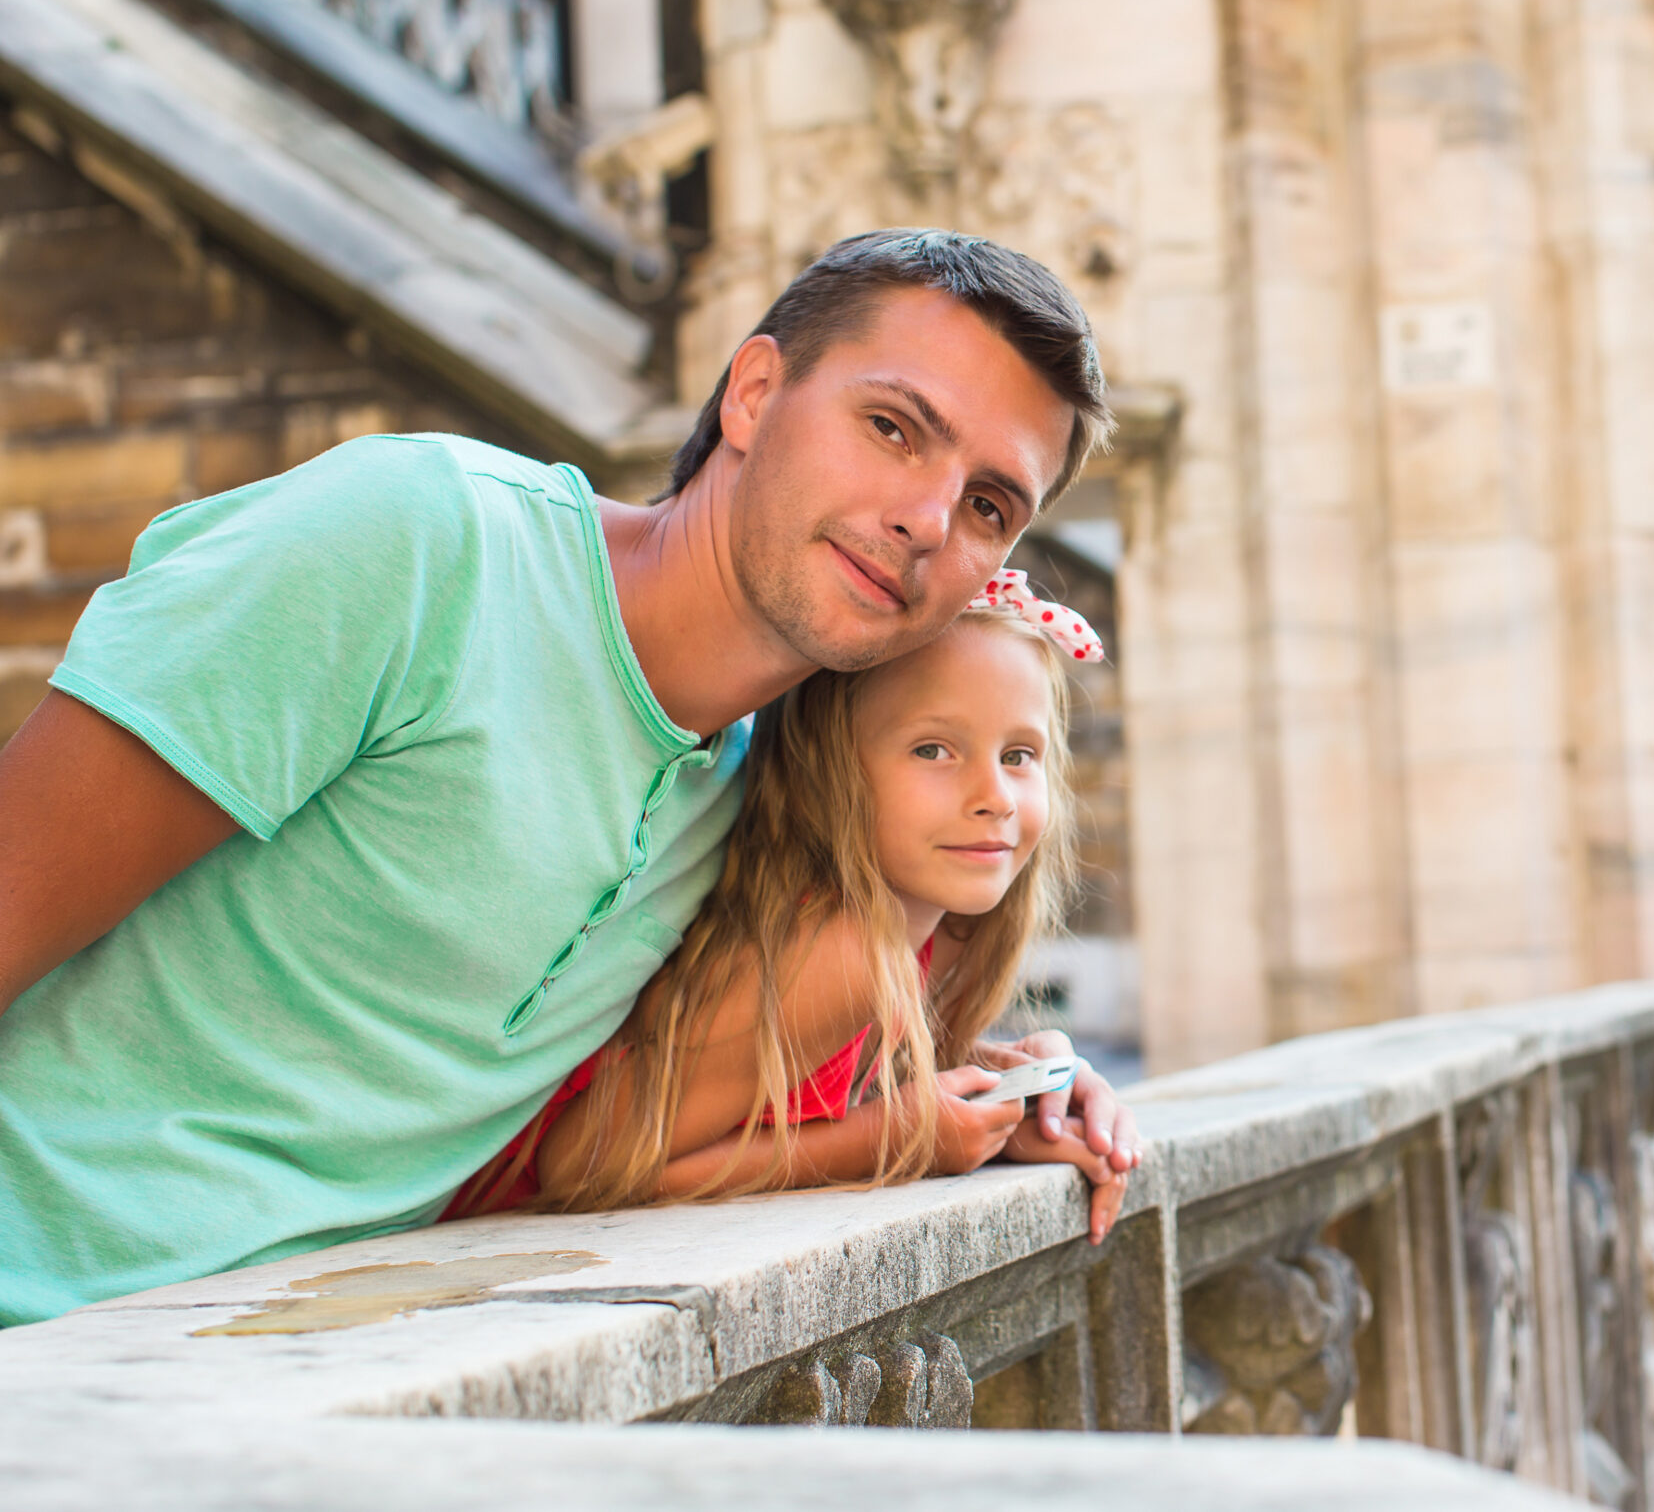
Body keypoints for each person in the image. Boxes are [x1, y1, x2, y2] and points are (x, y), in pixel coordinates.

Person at [0, 229, 1131, 1326]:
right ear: (751, 396)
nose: (926, 519)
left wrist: (1004, 1081)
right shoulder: (421, 545)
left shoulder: (777, 778)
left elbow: (676, 1085)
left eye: (989, 505)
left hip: (291, 1381)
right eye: (891, 427)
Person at [445, 572, 1131, 1244]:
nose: (996, 796)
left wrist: (1014, 1083)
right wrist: (893, 1139)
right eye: (933, 749)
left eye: (1019, 754)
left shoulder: (939, 923)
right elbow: (583, 1158)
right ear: (829, 765)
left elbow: (825, 1083)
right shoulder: (841, 951)